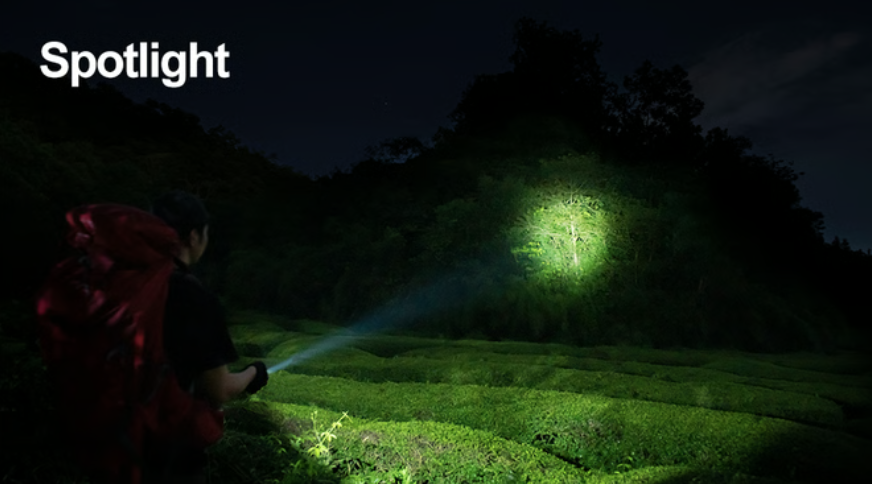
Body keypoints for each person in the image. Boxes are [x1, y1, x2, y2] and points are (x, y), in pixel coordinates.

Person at [146, 190, 269, 483]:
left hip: (118, 441)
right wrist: (255, 373)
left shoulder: (134, 286)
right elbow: (220, 390)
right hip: (170, 455)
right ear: (192, 237)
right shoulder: (191, 295)